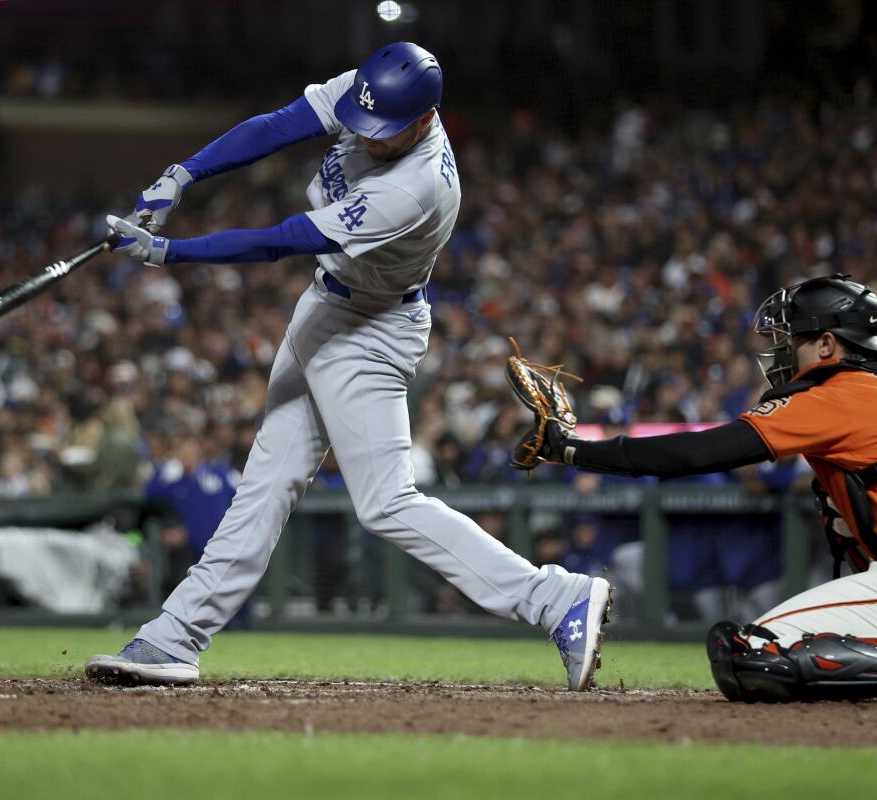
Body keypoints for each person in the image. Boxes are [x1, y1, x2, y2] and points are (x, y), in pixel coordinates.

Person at [85, 42, 611, 691]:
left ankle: (556, 599)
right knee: (265, 486)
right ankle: (174, 636)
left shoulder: (418, 185)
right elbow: (278, 126)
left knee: (386, 502)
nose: (366, 137)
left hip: (371, 328)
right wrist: (184, 173)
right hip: (325, 308)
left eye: (383, 132)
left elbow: (283, 239)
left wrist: (170, 252)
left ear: (424, 119)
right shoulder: (373, 91)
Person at [514, 275, 877, 701]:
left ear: (827, 345)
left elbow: (699, 451)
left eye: (794, 338)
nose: (784, 352)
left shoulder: (841, 392)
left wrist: (571, 450)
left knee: (751, 655)